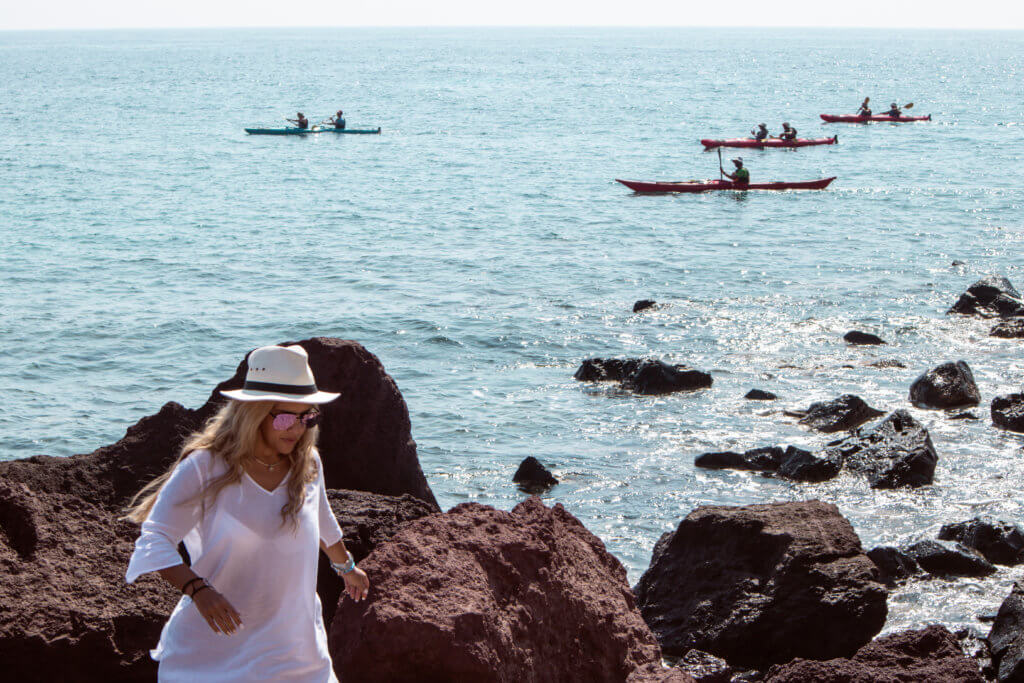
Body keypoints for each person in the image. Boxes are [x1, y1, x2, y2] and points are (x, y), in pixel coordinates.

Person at [125, 344, 370, 682]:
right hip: (217, 648)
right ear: (254, 412)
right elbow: (155, 537)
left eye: (307, 417)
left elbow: (321, 517)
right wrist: (199, 590)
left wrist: (346, 567)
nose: (297, 429)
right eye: (285, 417)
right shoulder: (205, 467)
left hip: (295, 649)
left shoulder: (307, 462)